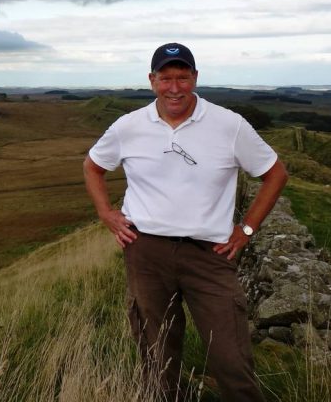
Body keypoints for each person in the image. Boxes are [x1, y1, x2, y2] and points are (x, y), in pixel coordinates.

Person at [83, 42, 288, 402]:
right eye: (166, 79)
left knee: (230, 357)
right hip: (145, 252)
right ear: (152, 80)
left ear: (195, 77)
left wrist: (246, 230)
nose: (174, 88)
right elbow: (93, 166)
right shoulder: (128, 126)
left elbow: (275, 174)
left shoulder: (229, 125)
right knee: (156, 353)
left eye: (182, 77)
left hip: (210, 254)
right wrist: (106, 213)